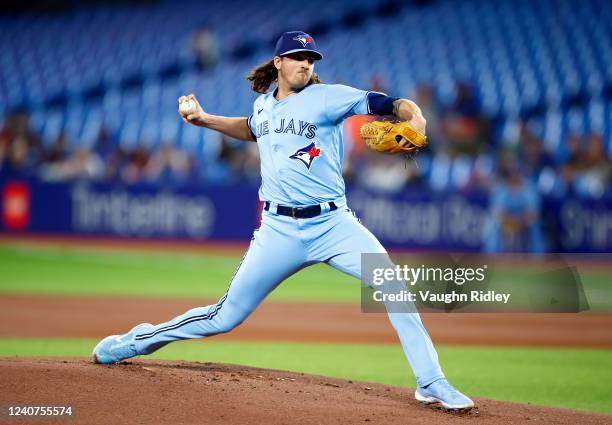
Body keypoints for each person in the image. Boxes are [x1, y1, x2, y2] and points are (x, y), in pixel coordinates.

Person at [92, 31, 474, 411]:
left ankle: (431, 382)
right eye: (296, 56)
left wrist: (418, 118)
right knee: (222, 317)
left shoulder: (329, 98)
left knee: (394, 286)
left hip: (333, 225)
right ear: (278, 63)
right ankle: (136, 342)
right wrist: (204, 119)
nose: (306, 63)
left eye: (310, 58)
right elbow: (251, 128)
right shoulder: (263, 107)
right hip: (278, 231)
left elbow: (393, 104)